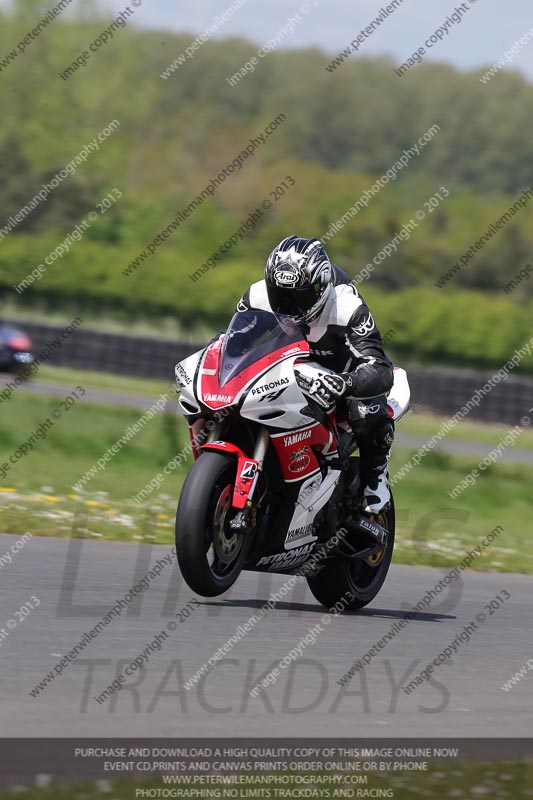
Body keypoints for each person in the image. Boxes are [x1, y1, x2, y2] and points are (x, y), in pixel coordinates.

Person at [236, 235, 395, 515]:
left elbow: (379, 368)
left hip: (340, 376)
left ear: (320, 288)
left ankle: (375, 477)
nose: (287, 306)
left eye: (297, 296)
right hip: (289, 370)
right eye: (280, 295)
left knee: (367, 408)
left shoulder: (346, 307)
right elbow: (233, 342)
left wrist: (344, 383)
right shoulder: (256, 296)